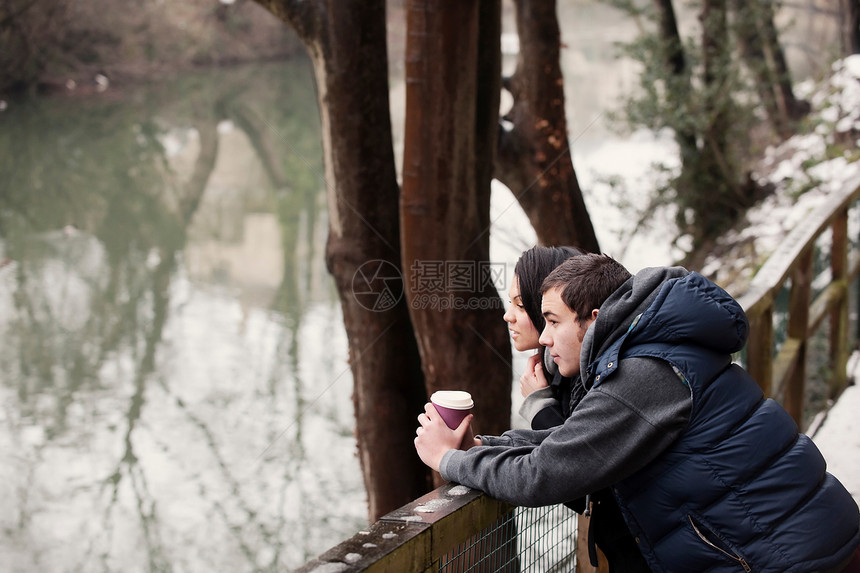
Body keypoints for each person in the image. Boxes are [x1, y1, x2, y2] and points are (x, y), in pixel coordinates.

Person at [416, 253, 860, 572]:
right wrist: (487, 446)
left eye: (552, 321)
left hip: (789, 557)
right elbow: (574, 441)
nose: (545, 339)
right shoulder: (651, 355)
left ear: (592, 319)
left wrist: (447, 459)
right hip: (806, 541)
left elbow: (543, 474)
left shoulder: (643, 377)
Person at [508, 246, 649, 572]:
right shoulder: (564, 369)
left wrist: (539, 406)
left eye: (519, 303)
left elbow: (577, 476)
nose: (508, 315)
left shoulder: (599, 376)